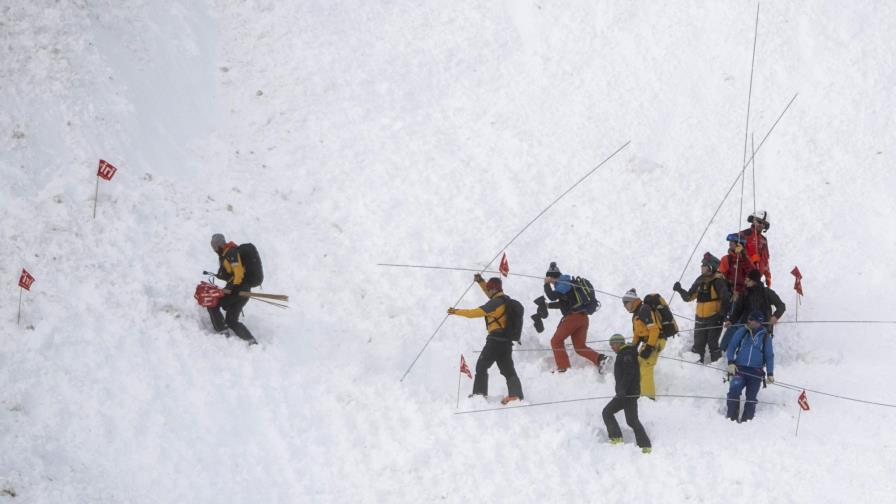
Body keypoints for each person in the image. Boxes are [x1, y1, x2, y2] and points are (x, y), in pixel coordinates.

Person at [448, 275, 523, 405]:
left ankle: (479, 394)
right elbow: (489, 293)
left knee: (481, 366)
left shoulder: (495, 303)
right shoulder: (505, 300)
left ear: (494, 289)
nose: (488, 290)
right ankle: (515, 395)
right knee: (508, 370)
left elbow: (474, 313)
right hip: (506, 342)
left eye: (489, 288)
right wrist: (481, 281)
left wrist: (456, 311)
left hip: (494, 341)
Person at [543, 262, 609, 373]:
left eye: (550, 277)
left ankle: (563, 368)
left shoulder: (563, 282)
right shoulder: (568, 284)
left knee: (556, 341)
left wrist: (546, 284)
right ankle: (601, 359)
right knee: (579, 347)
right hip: (583, 318)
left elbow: (552, 296)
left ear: (552, 276)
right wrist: (548, 305)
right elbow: (563, 303)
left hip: (573, 318)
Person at [673, 252, 730, 363]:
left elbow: (725, 299)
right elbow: (688, 297)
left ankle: (716, 369)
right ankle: (696, 368)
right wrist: (679, 290)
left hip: (714, 318)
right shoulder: (700, 280)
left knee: (713, 344)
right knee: (698, 345)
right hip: (700, 318)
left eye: (704, 266)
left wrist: (722, 316)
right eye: (702, 265)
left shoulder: (718, 281)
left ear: (710, 267)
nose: (701, 268)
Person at [602, 333, 652, 453]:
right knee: (613, 414)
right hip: (625, 393)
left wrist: (622, 389)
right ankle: (619, 438)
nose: (611, 347)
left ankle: (644, 445)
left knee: (622, 417)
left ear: (619, 343)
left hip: (628, 393)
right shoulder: (624, 353)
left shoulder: (626, 354)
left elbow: (629, 373)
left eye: (612, 344)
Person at [725, 311, 775, 422]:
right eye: (750, 320)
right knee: (733, 391)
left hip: (756, 372)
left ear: (759, 322)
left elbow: (769, 356)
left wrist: (770, 373)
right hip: (740, 369)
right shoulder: (742, 331)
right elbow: (731, 346)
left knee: (751, 398)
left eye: (754, 321)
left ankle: (747, 421)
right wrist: (730, 362)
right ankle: (731, 418)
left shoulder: (766, 336)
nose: (751, 322)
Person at [209, 233, 257, 345]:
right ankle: (251, 341)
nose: (214, 249)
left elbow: (238, 273)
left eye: (215, 247)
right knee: (231, 321)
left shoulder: (231, 252)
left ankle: (222, 331)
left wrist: (232, 287)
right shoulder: (226, 255)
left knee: (213, 303)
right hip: (243, 291)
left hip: (238, 290)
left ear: (219, 245)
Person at [720, 268, 786, 351]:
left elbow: (781, 306)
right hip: (747, 328)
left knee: (759, 351)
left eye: (748, 280)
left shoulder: (767, 292)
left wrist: (775, 316)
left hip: (763, 328)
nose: (745, 282)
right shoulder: (745, 293)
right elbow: (738, 311)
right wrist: (731, 321)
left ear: (754, 281)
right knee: (743, 351)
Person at [622, 288, 663, 400]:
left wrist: (649, 348)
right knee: (639, 366)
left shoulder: (643, 309)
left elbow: (654, 330)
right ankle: (641, 393)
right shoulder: (636, 314)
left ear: (632, 301)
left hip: (656, 341)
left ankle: (649, 398)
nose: (625, 307)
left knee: (645, 368)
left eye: (626, 304)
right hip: (649, 341)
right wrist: (633, 347)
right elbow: (637, 334)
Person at [738, 210, 772, 287]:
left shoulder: (764, 240)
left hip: (756, 280)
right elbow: (735, 254)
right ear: (753, 220)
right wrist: (750, 259)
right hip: (742, 278)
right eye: (759, 222)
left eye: (764, 224)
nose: (761, 225)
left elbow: (765, 260)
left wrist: (768, 276)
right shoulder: (743, 235)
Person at [718, 233, 755, 300]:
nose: (729, 244)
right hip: (731, 294)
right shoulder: (726, 259)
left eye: (732, 242)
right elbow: (721, 278)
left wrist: (743, 255)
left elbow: (753, 273)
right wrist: (729, 292)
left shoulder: (747, 259)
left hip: (746, 294)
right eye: (730, 242)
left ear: (740, 244)